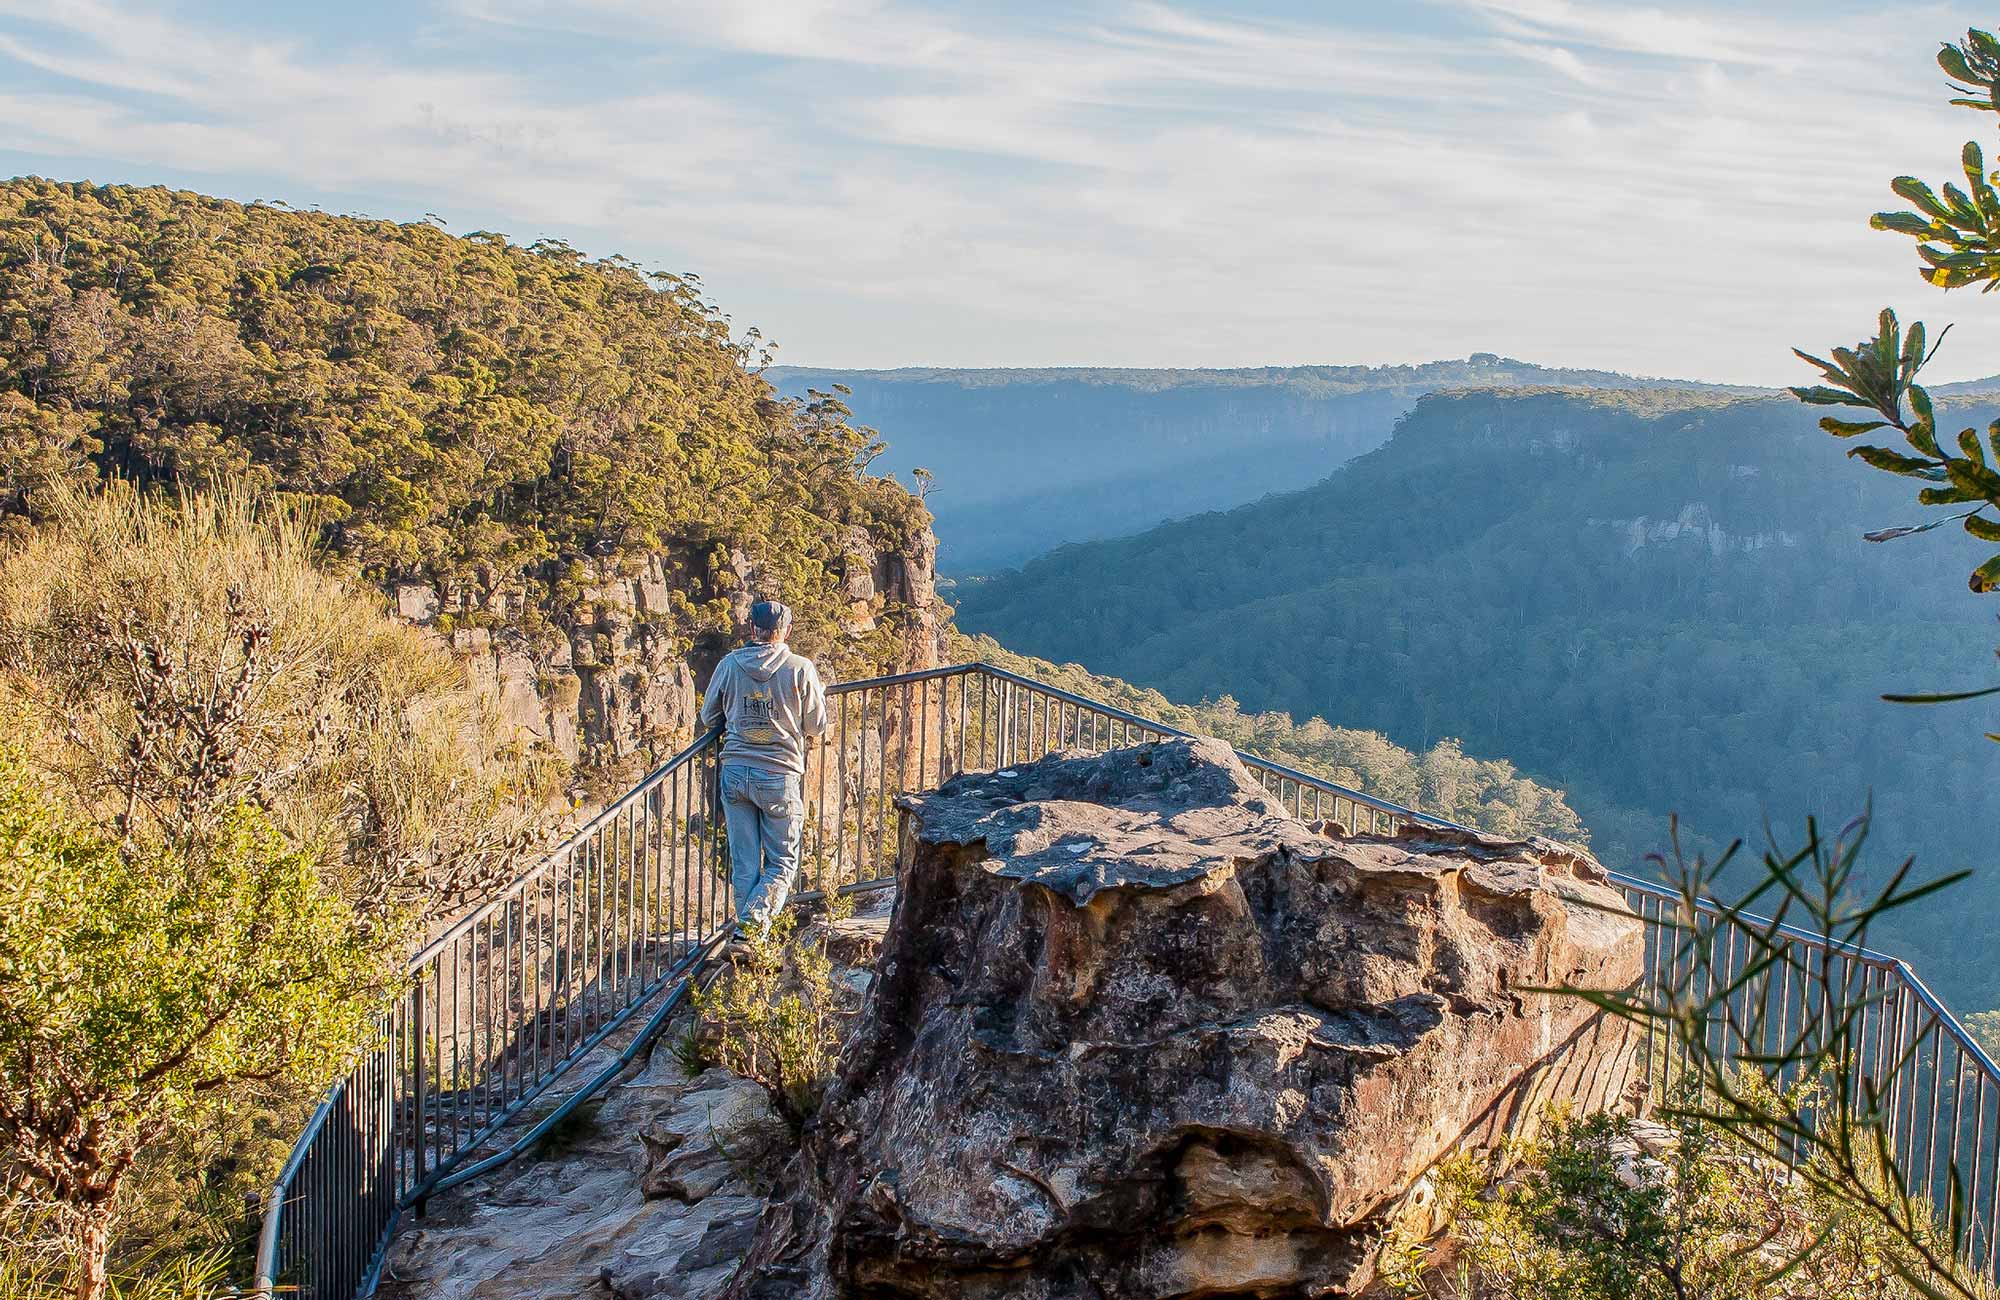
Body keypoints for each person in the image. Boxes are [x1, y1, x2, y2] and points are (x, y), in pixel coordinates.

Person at [700, 599, 829, 940]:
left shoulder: (729, 665)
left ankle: (747, 940)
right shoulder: (800, 668)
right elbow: (816, 725)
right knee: (782, 862)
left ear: (752, 630)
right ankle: (752, 928)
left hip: (735, 772)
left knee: (744, 863)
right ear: (786, 630)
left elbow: (708, 717)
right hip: (778, 774)